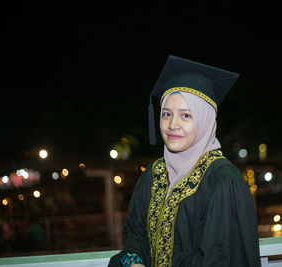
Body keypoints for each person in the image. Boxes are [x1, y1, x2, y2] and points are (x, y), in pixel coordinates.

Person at [108, 55, 261, 267]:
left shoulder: (223, 181)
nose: (172, 124)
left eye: (186, 115)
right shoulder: (153, 175)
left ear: (205, 119)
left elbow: (219, 260)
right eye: (166, 114)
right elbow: (136, 234)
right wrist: (135, 262)